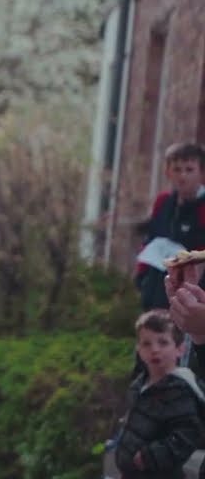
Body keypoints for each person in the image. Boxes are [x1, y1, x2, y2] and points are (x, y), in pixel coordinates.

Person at [110, 309, 204, 479]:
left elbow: (187, 434)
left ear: (180, 349)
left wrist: (149, 457)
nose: (155, 350)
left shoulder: (179, 390)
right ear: (139, 349)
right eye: (147, 343)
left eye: (163, 342)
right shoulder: (139, 384)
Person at [135, 142, 205, 311]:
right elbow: (151, 239)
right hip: (156, 287)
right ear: (168, 172)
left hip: (191, 295)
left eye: (189, 170)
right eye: (177, 169)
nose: (182, 176)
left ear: (202, 173)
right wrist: (141, 275)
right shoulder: (163, 201)